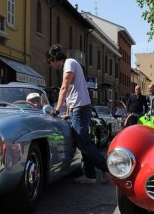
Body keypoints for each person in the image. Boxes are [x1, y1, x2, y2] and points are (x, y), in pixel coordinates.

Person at [45, 43, 108, 184]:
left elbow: (64, 88)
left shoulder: (69, 63)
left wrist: (56, 110)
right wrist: (68, 112)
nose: (51, 65)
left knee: (84, 143)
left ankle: (107, 169)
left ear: (54, 58)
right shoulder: (69, 65)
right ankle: (90, 175)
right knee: (84, 142)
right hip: (78, 109)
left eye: (50, 62)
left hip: (80, 109)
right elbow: (72, 93)